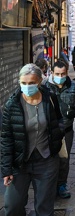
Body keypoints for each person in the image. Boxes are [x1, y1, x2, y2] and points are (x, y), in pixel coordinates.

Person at [1, 63, 64, 215]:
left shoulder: (50, 99)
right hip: (20, 163)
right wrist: (6, 169)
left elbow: (59, 121)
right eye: (23, 83)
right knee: (12, 206)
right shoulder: (12, 105)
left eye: (31, 83)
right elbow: (6, 138)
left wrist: (57, 138)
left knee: (44, 208)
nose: (27, 86)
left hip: (46, 160)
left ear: (40, 82)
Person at [44, 60, 75, 199]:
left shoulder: (74, 87)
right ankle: (48, 185)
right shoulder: (44, 86)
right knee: (47, 158)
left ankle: (62, 184)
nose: (60, 76)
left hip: (66, 130)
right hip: (48, 130)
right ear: (52, 72)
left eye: (63, 73)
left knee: (64, 158)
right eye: (57, 73)